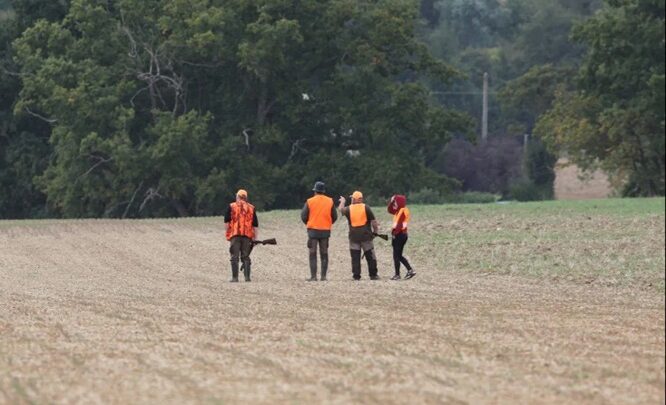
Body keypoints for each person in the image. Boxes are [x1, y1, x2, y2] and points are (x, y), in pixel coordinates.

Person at [338, 190, 380, 280]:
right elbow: (374, 222)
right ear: (361, 199)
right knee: (370, 256)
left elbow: (340, 210)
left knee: (355, 257)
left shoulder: (348, 208)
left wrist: (342, 202)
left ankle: (356, 276)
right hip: (366, 237)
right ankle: (373, 275)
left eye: (352, 198)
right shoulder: (366, 208)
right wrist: (375, 232)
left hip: (353, 237)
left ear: (354, 199)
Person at [301, 181, 338, 281]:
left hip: (313, 231)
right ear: (323, 191)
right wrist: (327, 223)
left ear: (315, 191)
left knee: (312, 253)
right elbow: (334, 217)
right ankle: (323, 276)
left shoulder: (309, 201)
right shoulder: (330, 201)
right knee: (324, 253)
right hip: (325, 231)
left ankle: (313, 277)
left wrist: (309, 223)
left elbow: (303, 216)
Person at [225, 189, 258, 282]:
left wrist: (228, 232)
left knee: (234, 256)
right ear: (246, 198)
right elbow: (255, 224)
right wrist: (255, 238)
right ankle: (247, 278)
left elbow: (226, 221)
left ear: (238, 197)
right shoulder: (251, 208)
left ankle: (235, 278)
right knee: (245, 256)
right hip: (247, 236)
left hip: (234, 235)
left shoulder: (232, 206)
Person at [388, 194, 415, 280]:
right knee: (399, 255)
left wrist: (394, 234)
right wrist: (391, 201)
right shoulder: (399, 210)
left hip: (399, 235)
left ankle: (397, 275)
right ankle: (410, 270)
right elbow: (390, 210)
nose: (394, 204)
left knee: (396, 255)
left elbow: (399, 225)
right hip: (402, 234)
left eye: (395, 202)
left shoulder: (402, 211)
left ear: (399, 202)